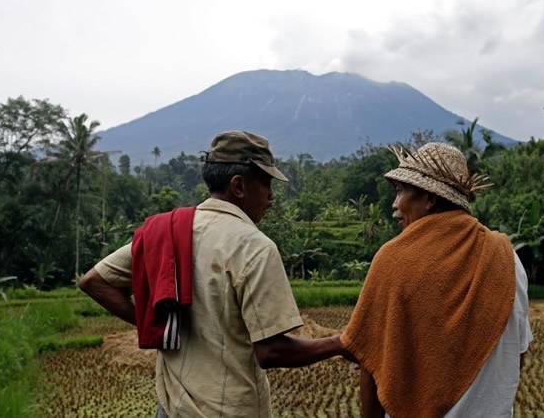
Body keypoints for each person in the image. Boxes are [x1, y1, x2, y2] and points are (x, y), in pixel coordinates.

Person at [79, 130, 351, 418]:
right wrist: (337, 343)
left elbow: (95, 281)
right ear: (239, 186)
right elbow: (272, 351)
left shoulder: (169, 231)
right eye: (266, 183)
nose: (271, 196)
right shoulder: (254, 247)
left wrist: (160, 325)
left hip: (171, 409)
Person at [341, 142, 533, 418]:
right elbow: (518, 353)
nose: (395, 205)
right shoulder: (507, 258)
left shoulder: (393, 260)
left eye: (400, 192)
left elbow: (370, 364)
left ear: (429, 199)